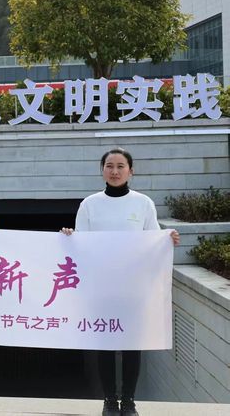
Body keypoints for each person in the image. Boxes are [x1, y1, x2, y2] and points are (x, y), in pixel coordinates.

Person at [61, 148, 179, 416]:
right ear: (102, 170)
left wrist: (167, 240)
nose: (115, 171)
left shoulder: (143, 203)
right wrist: (69, 236)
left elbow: (153, 240)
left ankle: (128, 402)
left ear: (131, 171)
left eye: (120, 166)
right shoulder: (89, 204)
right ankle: (109, 401)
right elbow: (81, 245)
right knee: (105, 346)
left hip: (133, 289)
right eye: (109, 166)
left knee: (131, 346)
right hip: (101, 289)